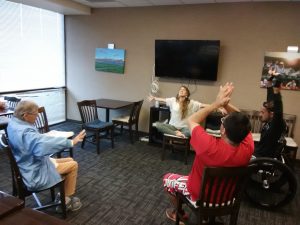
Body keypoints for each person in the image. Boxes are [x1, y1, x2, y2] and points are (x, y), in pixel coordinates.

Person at [162, 83, 254, 225]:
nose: (222, 121)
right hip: (227, 198)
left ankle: (179, 214)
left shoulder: (208, 146)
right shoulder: (248, 146)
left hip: (200, 195)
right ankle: (207, 216)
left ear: (223, 130)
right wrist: (226, 104)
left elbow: (191, 120)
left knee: (167, 179)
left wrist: (216, 104)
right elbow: (242, 121)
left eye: (223, 120)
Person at [6, 100, 86, 211]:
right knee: (73, 165)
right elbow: (41, 146)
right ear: (25, 115)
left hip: (25, 163)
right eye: (35, 115)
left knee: (69, 159)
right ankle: (65, 201)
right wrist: (71, 142)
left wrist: (56, 140)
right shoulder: (26, 132)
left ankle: (62, 193)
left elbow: (38, 141)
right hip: (33, 172)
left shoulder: (13, 124)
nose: (36, 117)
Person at [254, 77, 286, 157]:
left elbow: (278, 111)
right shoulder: (269, 122)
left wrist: (277, 92)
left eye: (262, 112)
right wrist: (269, 84)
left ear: (272, 114)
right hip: (258, 154)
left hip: (263, 161)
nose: (260, 115)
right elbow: (270, 99)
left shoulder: (276, 124)